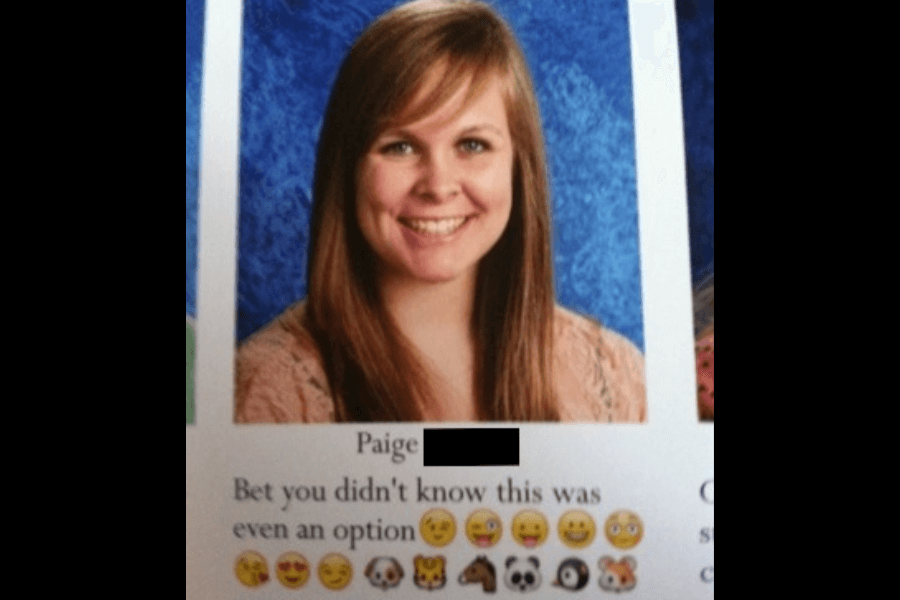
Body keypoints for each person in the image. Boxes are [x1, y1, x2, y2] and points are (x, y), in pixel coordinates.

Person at [235, 0, 645, 423]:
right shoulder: (267, 392)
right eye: (401, 147)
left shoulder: (615, 379)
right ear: (348, 169)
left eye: (472, 145)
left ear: (518, 167)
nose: (438, 186)